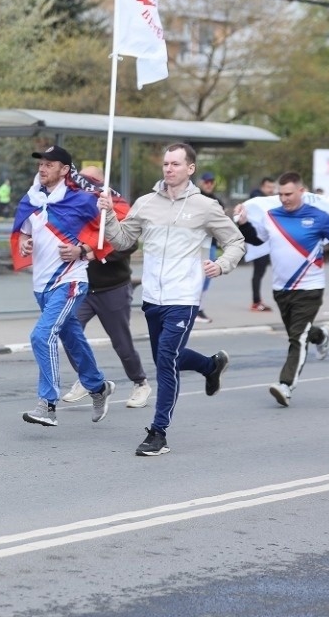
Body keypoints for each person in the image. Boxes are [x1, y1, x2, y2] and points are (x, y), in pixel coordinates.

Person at [98, 143, 245, 456]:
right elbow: (122, 240)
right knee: (167, 357)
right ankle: (210, 366)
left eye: (176, 164)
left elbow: (236, 241)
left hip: (184, 297)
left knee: (166, 360)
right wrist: (108, 214)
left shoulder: (205, 206)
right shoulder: (146, 203)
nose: (169, 169)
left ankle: (158, 432)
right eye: (166, 163)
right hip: (153, 297)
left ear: (190, 168)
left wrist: (221, 265)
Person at [11, 145, 115, 427]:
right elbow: (24, 233)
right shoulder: (31, 199)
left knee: (41, 335)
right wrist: (25, 242)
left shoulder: (81, 200)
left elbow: (110, 235)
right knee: (72, 338)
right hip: (42, 284)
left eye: (49, 164)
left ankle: (47, 404)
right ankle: (98, 387)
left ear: (65, 169)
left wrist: (82, 250)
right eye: (41, 164)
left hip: (70, 280)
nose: (42, 168)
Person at [233, 172, 329, 407]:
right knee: (299, 334)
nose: (284, 199)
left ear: (301, 191)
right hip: (281, 289)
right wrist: (244, 224)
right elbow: (257, 240)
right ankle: (321, 335)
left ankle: (285, 385)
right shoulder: (272, 215)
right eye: (281, 194)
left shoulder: (319, 217)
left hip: (310, 288)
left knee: (297, 338)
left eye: (289, 194)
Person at [60, 166, 152, 409]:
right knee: (68, 331)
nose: (82, 186)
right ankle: (87, 378)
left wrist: (95, 254)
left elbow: (128, 245)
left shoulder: (116, 209)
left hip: (113, 287)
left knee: (121, 341)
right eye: (80, 181)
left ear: (102, 184)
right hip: (83, 288)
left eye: (89, 181)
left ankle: (140, 383)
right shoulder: (77, 209)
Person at [196, 171, 224, 323]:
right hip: (195, 243)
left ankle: (199, 308)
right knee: (195, 276)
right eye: (206, 182)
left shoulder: (216, 201)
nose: (209, 185)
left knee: (207, 275)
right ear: (201, 182)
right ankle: (192, 308)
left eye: (211, 182)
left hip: (210, 243)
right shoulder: (195, 198)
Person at [247, 177, 277, 312]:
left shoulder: (268, 201)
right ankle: (256, 301)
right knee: (258, 272)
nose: (271, 190)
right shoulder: (257, 199)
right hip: (258, 242)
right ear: (262, 187)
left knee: (262, 271)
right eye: (268, 187)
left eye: (272, 187)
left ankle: (257, 300)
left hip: (268, 242)